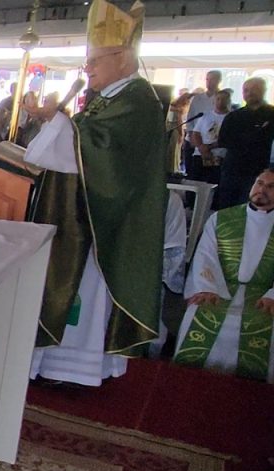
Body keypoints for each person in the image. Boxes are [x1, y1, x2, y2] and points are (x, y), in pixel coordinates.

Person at [29, 0, 166, 387]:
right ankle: (53, 364)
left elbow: (102, 153)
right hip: (81, 215)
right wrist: (56, 122)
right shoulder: (109, 99)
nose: (87, 69)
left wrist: (57, 121)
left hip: (104, 223)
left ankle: (74, 370)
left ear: (123, 58)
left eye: (94, 61)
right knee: (72, 291)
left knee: (84, 294)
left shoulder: (137, 101)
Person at [173, 169, 274, 381]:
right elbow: (205, 255)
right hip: (219, 287)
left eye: (271, 187)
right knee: (198, 311)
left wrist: (272, 296)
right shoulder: (222, 219)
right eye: (259, 183)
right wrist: (206, 288)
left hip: (263, 294)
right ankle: (188, 383)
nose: (261, 190)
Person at [215, 78, 274, 209]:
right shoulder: (234, 116)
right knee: (226, 208)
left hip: (259, 172)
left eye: (254, 89)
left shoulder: (271, 114)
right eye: (246, 90)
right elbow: (223, 141)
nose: (249, 93)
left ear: (263, 90)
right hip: (232, 170)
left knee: (250, 209)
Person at [187, 89, 232, 185]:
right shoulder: (205, 116)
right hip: (200, 155)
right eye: (218, 99)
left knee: (213, 185)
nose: (220, 101)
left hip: (219, 156)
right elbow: (196, 133)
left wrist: (210, 147)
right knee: (195, 183)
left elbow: (229, 138)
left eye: (223, 99)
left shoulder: (231, 117)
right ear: (214, 101)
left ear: (228, 101)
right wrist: (201, 146)